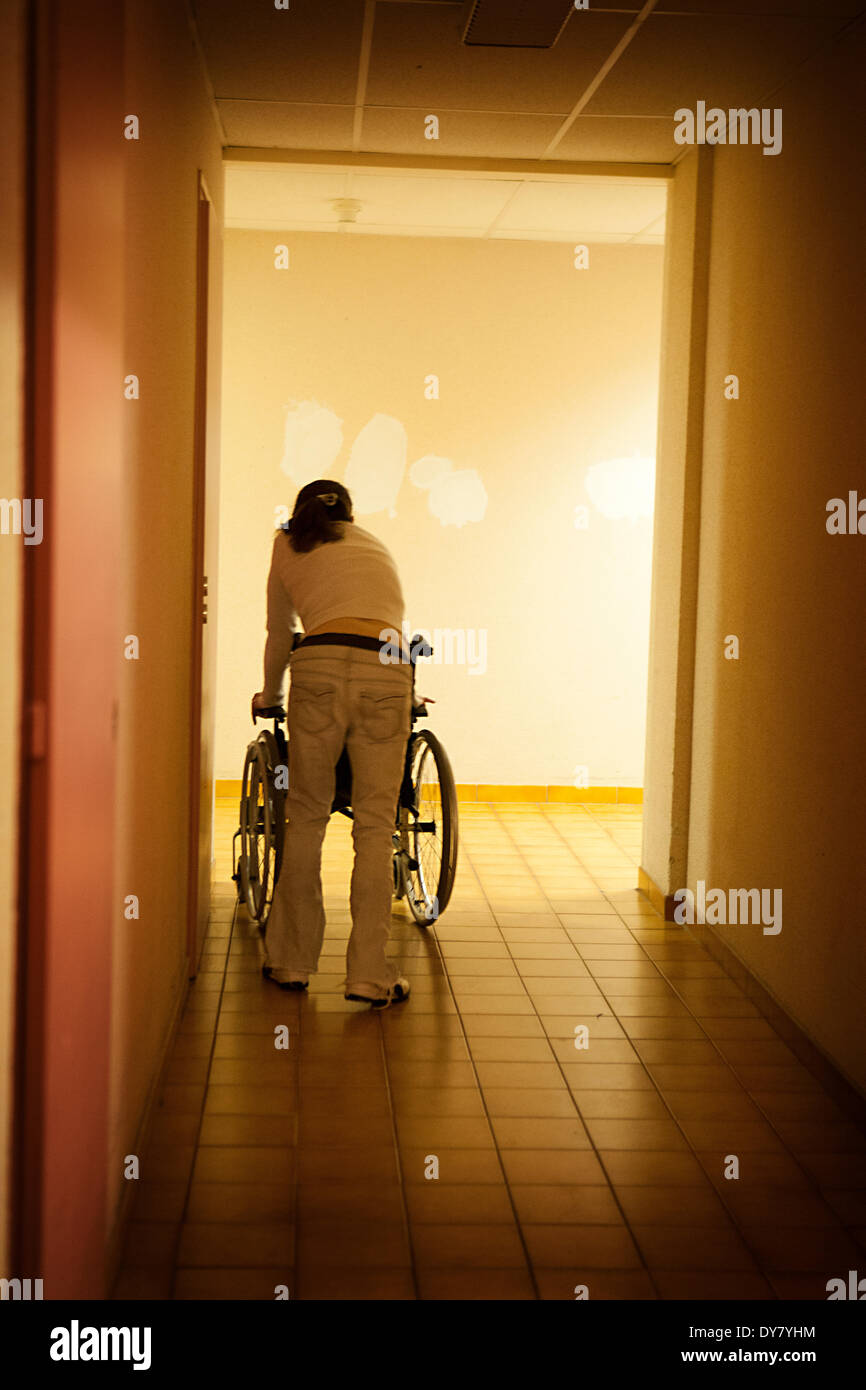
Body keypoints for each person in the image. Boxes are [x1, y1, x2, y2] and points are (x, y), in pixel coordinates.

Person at [251, 479, 413, 1009]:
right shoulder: (372, 543)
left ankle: (291, 961)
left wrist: (269, 694)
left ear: (299, 512)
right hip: (388, 668)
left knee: (307, 815)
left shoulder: (287, 541)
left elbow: (280, 632)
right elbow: (389, 628)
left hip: (318, 664)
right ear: (350, 513)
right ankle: (368, 975)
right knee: (374, 822)